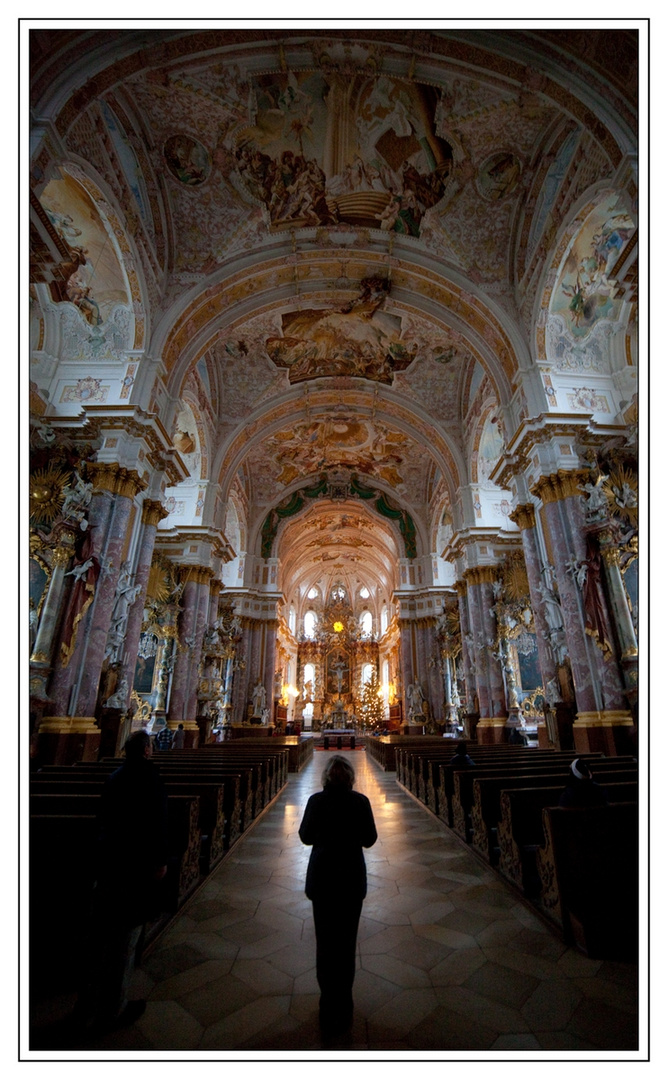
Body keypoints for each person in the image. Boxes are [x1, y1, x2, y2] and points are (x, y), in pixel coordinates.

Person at [75, 731, 169, 1035]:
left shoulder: (113, 778)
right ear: (146, 751)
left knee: (99, 936)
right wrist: (159, 861)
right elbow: (158, 824)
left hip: (109, 863)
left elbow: (102, 820)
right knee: (125, 940)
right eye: (151, 747)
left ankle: (85, 1003)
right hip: (136, 866)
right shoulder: (151, 780)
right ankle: (114, 1007)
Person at [299, 755, 377, 1037]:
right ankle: (344, 1002)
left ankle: (326, 1001)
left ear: (326, 778)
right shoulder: (360, 802)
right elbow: (369, 839)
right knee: (346, 942)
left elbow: (305, 836)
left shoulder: (316, 802)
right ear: (352, 778)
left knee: (325, 941)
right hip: (351, 881)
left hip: (322, 880)